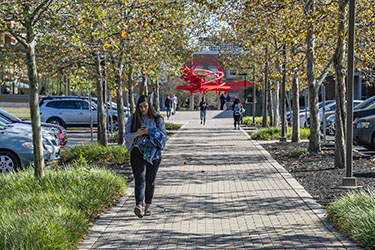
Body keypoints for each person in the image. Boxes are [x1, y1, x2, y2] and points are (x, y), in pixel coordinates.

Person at [125, 95, 167, 218]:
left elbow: (163, 136)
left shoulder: (157, 119)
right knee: (140, 179)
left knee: (150, 179)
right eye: (141, 107)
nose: (143, 109)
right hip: (137, 151)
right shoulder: (133, 119)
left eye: (145, 106)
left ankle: (147, 206)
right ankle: (139, 206)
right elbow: (126, 136)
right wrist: (137, 134)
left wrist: (149, 131)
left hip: (153, 154)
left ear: (150, 106)